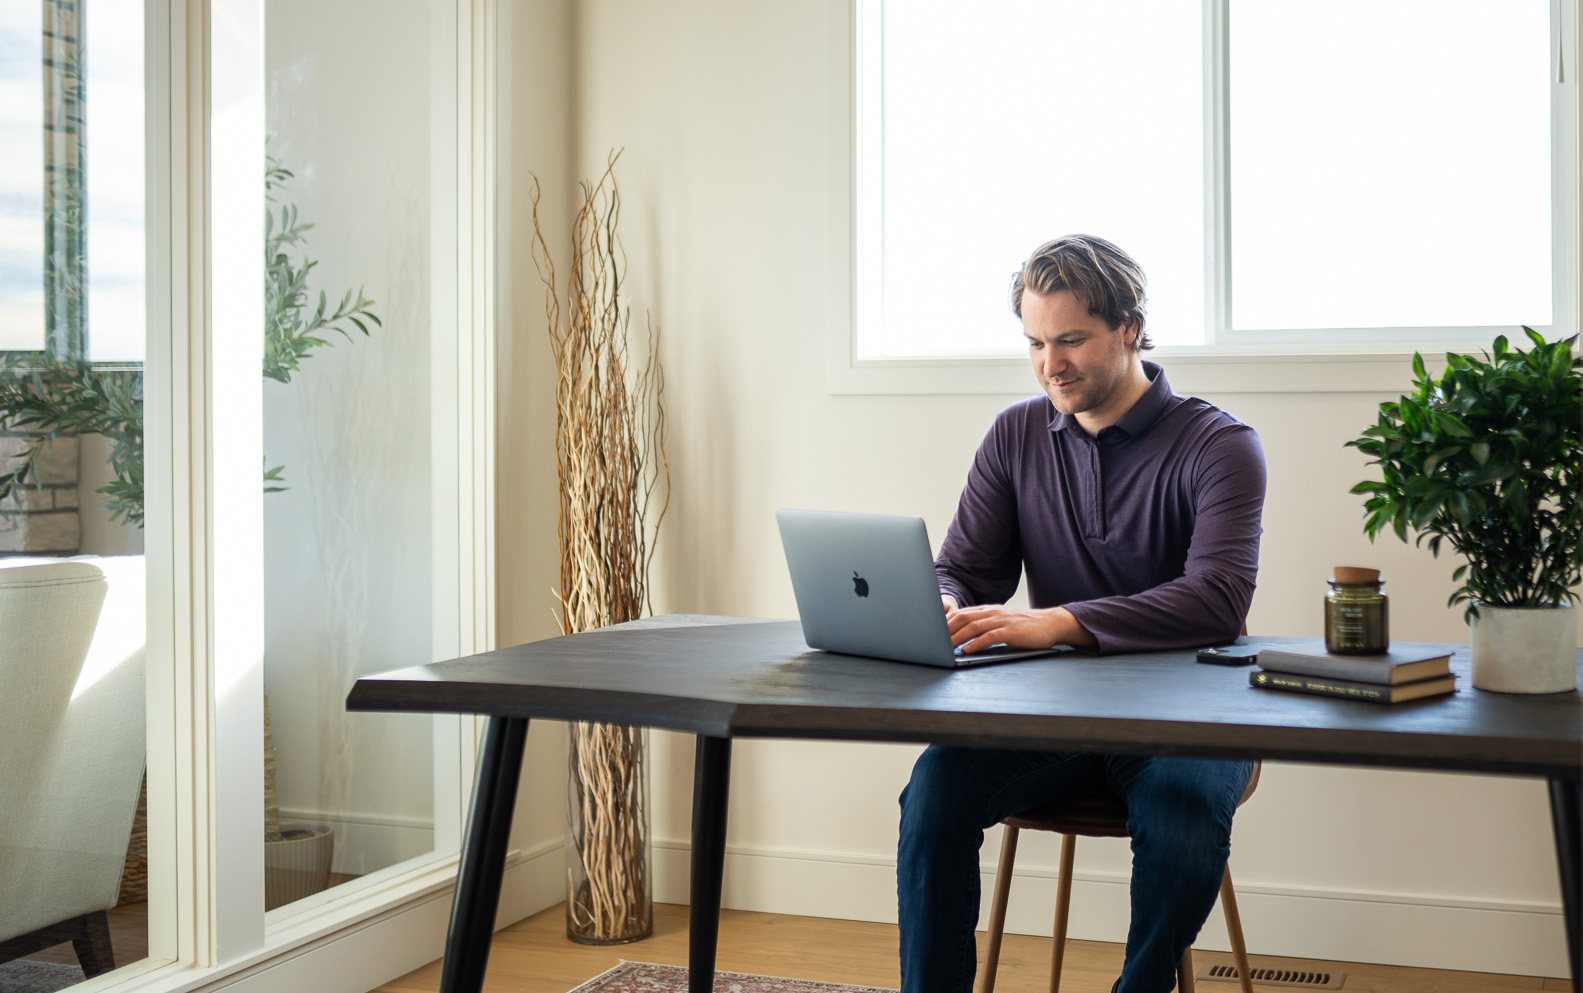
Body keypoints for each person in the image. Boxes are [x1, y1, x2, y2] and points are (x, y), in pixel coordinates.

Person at [896, 234, 1266, 993]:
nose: (1048, 364)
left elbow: (1218, 597)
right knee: (934, 787)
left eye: (1070, 340)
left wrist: (1060, 620)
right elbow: (966, 566)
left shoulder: (1220, 445)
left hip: (1191, 715)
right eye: (1033, 341)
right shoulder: (1015, 433)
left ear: (1128, 327)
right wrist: (943, 600)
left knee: (1182, 816)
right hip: (1054, 717)